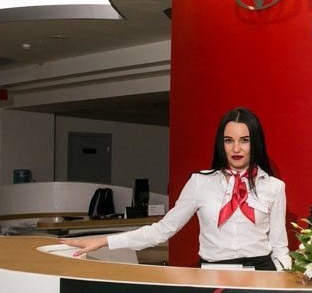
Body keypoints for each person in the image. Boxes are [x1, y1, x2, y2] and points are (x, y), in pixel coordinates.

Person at [60, 107, 290, 270]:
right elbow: (162, 230)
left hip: (261, 273)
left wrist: (283, 277)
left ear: (255, 142)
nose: (236, 148)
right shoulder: (200, 182)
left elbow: (280, 246)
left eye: (244, 140)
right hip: (214, 273)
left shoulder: (274, 187)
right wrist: (104, 241)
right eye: (229, 140)